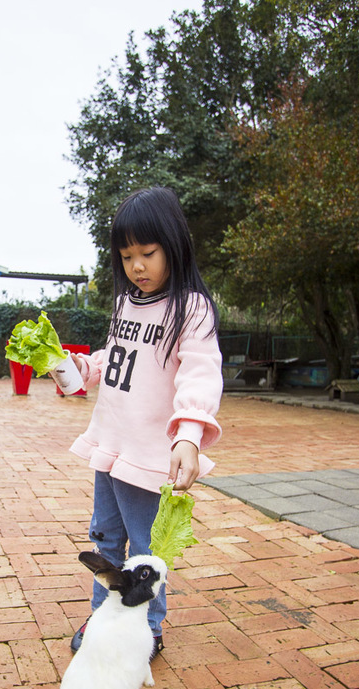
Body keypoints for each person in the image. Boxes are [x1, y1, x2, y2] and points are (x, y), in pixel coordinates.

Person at [68, 187, 223, 659]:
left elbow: (200, 373)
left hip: (147, 453)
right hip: (110, 445)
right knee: (105, 537)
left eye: (148, 253)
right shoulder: (125, 304)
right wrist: (79, 369)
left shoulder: (190, 308)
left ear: (173, 245)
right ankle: (104, 615)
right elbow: (116, 359)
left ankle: (148, 627)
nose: (137, 266)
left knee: (143, 547)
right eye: (127, 255)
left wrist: (189, 437)